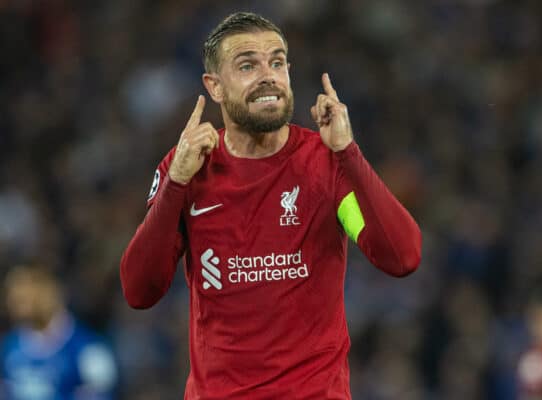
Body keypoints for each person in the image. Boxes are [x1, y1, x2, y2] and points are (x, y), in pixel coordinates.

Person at [120, 11, 422, 399]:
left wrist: (348, 151)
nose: (268, 75)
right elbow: (139, 291)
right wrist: (176, 182)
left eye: (277, 62)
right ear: (214, 86)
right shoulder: (189, 166)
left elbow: (402, 257)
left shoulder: (326, 163)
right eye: (247, 65)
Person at [1, 264, 118, 400]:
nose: (17, 299)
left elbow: (103, 394)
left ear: (52, 291)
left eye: (28, 292)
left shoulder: (89, 349)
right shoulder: (10, 346)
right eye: (14, 294)